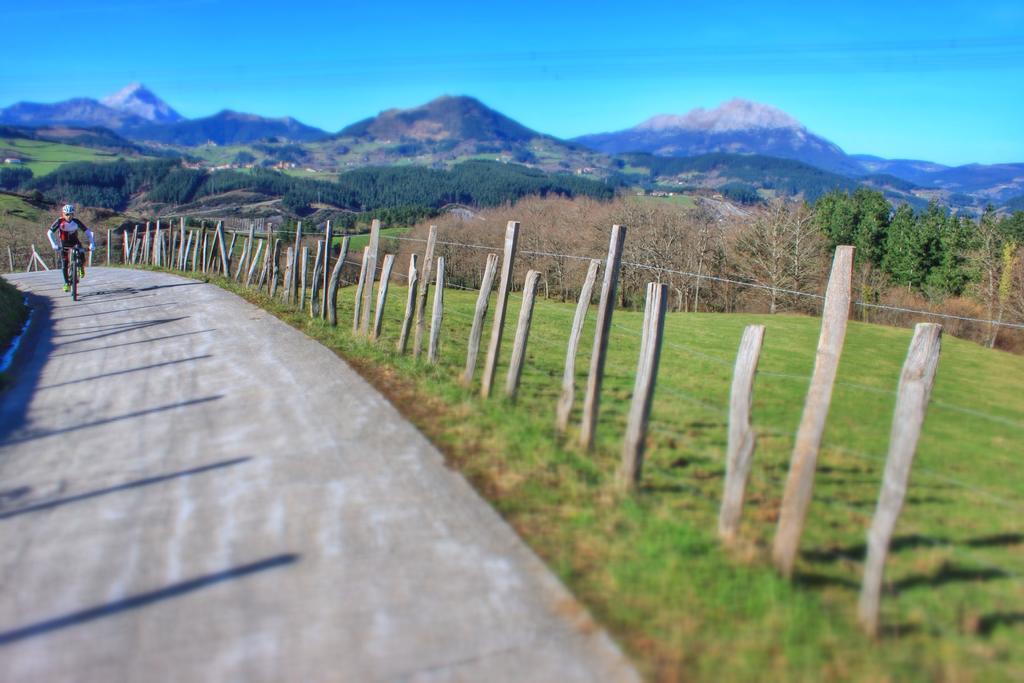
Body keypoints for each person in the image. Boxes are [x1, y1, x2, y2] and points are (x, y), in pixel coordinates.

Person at [46, 204, 95, 293]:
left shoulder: (76, 221)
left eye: (71, 214)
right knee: (64, 263)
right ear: (63, 214)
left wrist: (92, 243)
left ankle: (81, 267)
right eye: (67, 214)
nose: (69, 216)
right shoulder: (59, 221)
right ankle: (66, 283)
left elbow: (88, 232)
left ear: (73, 214)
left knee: (81, 253)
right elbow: (49, 233)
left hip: (75, 242)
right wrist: (54, 244)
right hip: (64, 243)